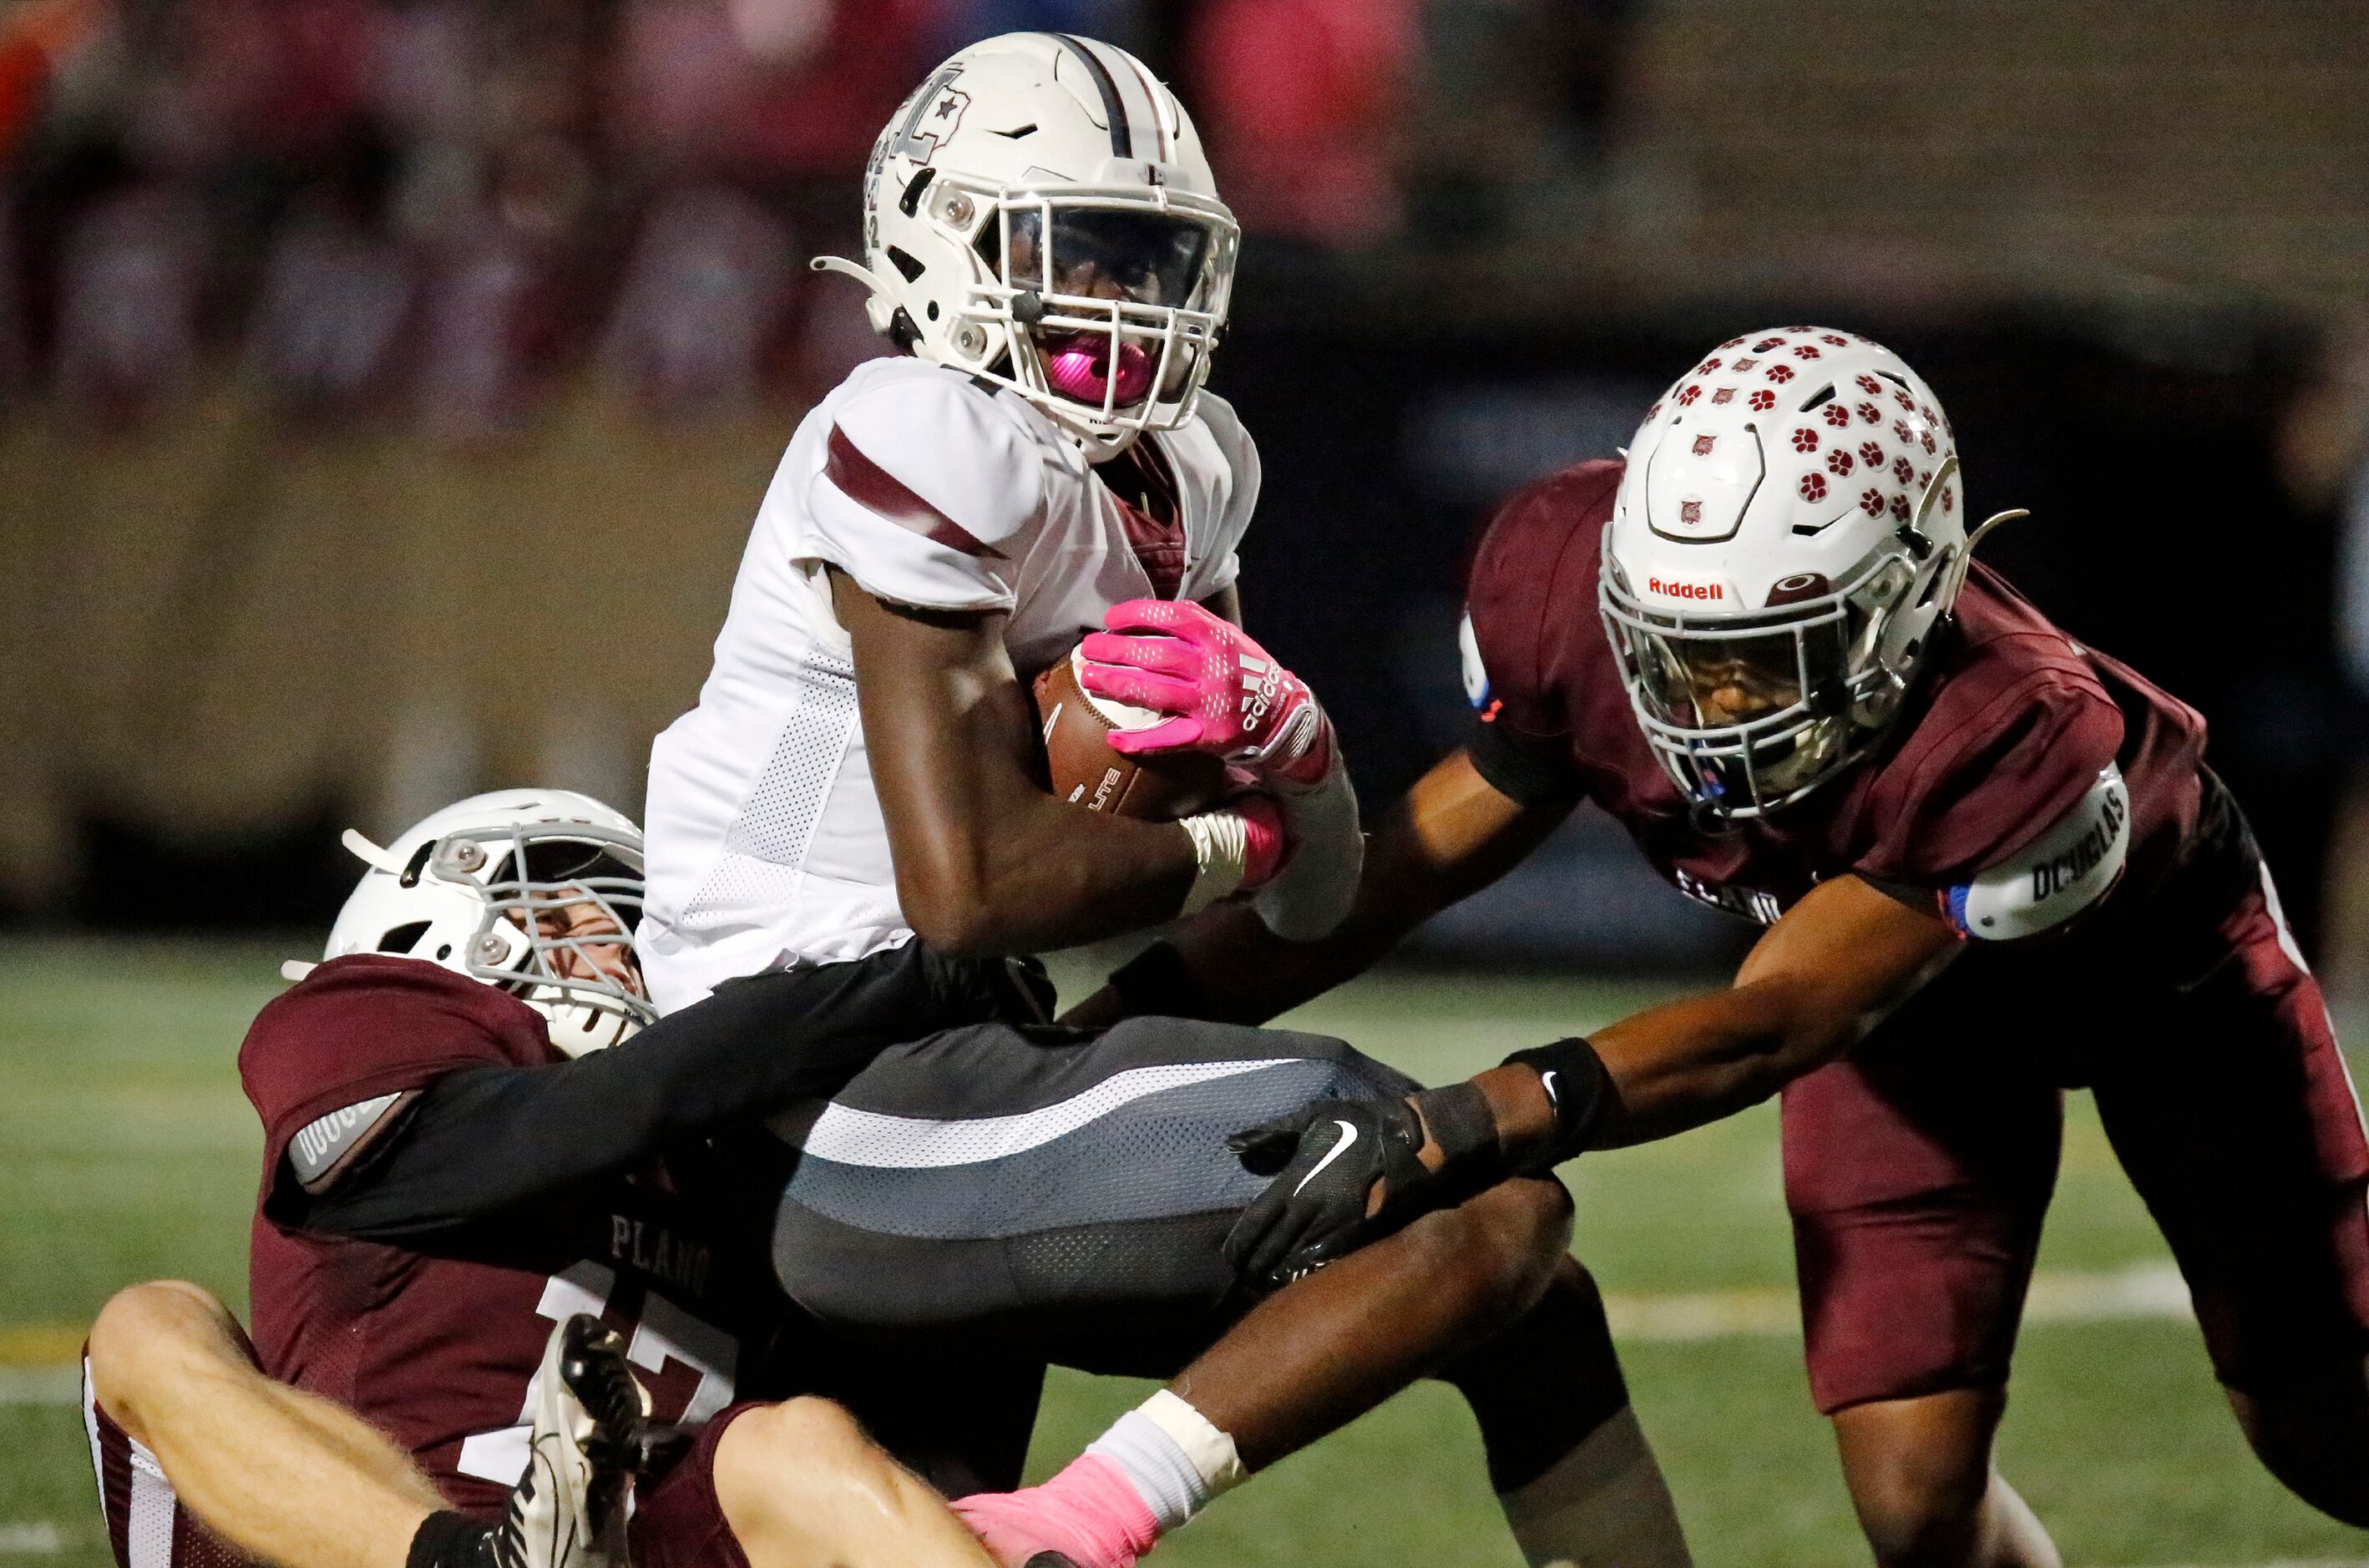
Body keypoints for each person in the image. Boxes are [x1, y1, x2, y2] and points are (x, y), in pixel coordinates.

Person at [639, 32, 1689, 1568]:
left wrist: (1311, 780)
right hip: (809, 1089)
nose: (1126, 302)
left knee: (1510, 1261)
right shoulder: (916, 429)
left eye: (1156, 259)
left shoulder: (1190, 468)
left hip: (974, 1061)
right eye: (1081, 252)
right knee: (1455, 1192)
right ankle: (1068, 1534)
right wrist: (1238, 837)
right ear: (940, 232)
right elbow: (973, 889)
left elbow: (1302, 908)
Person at [1073, 326, 2369, 1566]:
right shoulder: (1565, 578)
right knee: (1914, 1500)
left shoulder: (2015, 731)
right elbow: (1390, 873)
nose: (1704, 704)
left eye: (1761, 659)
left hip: (2158, 983)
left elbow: (1779, 1017)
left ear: (1906, 603)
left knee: (2322, 1424)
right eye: (1672, 650)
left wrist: (1461, 1123)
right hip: (1906, 1027)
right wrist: (1118, 1018)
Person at [84, 789, 1017, 1568]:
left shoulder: (733, 1153)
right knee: (148, 1324)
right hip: (344, 1546)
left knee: (800, 1448)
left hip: (636, 1544)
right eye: (575, 914)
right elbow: (562, 1123)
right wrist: (908, 980)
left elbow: (924, 1438)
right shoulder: (389, 1027)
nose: (632, 952)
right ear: (446, 920)